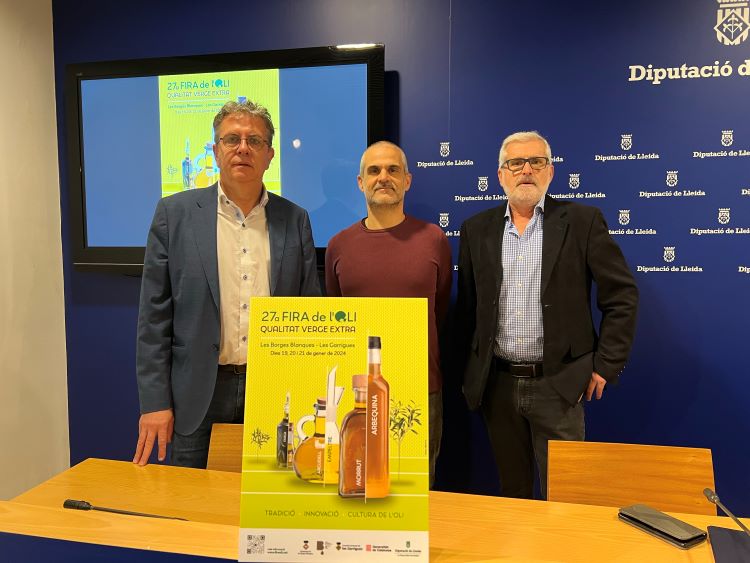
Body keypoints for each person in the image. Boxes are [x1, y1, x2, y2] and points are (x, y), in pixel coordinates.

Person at [133, 100, 320, 468]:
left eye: (255, 140)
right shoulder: (174, 215)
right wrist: (155, 402)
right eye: (232, 139)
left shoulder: (295, 219)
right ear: (216, 150)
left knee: (270, 496)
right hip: (197, 393)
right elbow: (153, 319)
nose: (243, 148)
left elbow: (309, 308)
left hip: (273, 391)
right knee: (192, 500)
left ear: (269, 155)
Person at [455, 131, 638, 499]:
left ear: (550, 172)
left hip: (560, 385)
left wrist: (606, 365)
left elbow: (622, 296)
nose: (526, 170)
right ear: (501, 175)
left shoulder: (583, 222)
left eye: (536, 162)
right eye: (515, 163)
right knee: (514, 495)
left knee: (567, 498)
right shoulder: (476, 229)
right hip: (498, 387)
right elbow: (469, 309)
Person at [325, 141, 452, 487]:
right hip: (357, 394)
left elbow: (438, 311)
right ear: (360, 182)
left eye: (393, 170)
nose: (384, 177)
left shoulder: (434, 240)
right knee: (356, 486)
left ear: (407, 180)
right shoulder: (338, 245)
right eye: (374, 170)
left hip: (421, 390)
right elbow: (336, 311)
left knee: (416, 492)